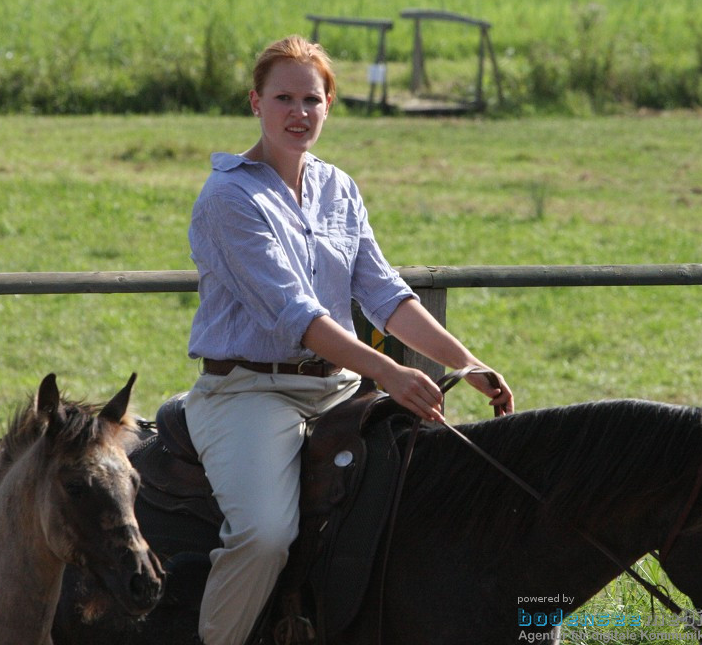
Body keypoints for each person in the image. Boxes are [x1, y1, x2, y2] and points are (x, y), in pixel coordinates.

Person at [183, 34, 513, 645]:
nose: (298, 113)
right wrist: (389, 373)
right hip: (251, 393)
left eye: (312, 99)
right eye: (283, 97)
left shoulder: (339, 188)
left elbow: (385, 294)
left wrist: (464, 363)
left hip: (339, 390)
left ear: (329, 105)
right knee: (264, 535)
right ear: (255, 103)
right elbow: (296, 317)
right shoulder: (228, 197)